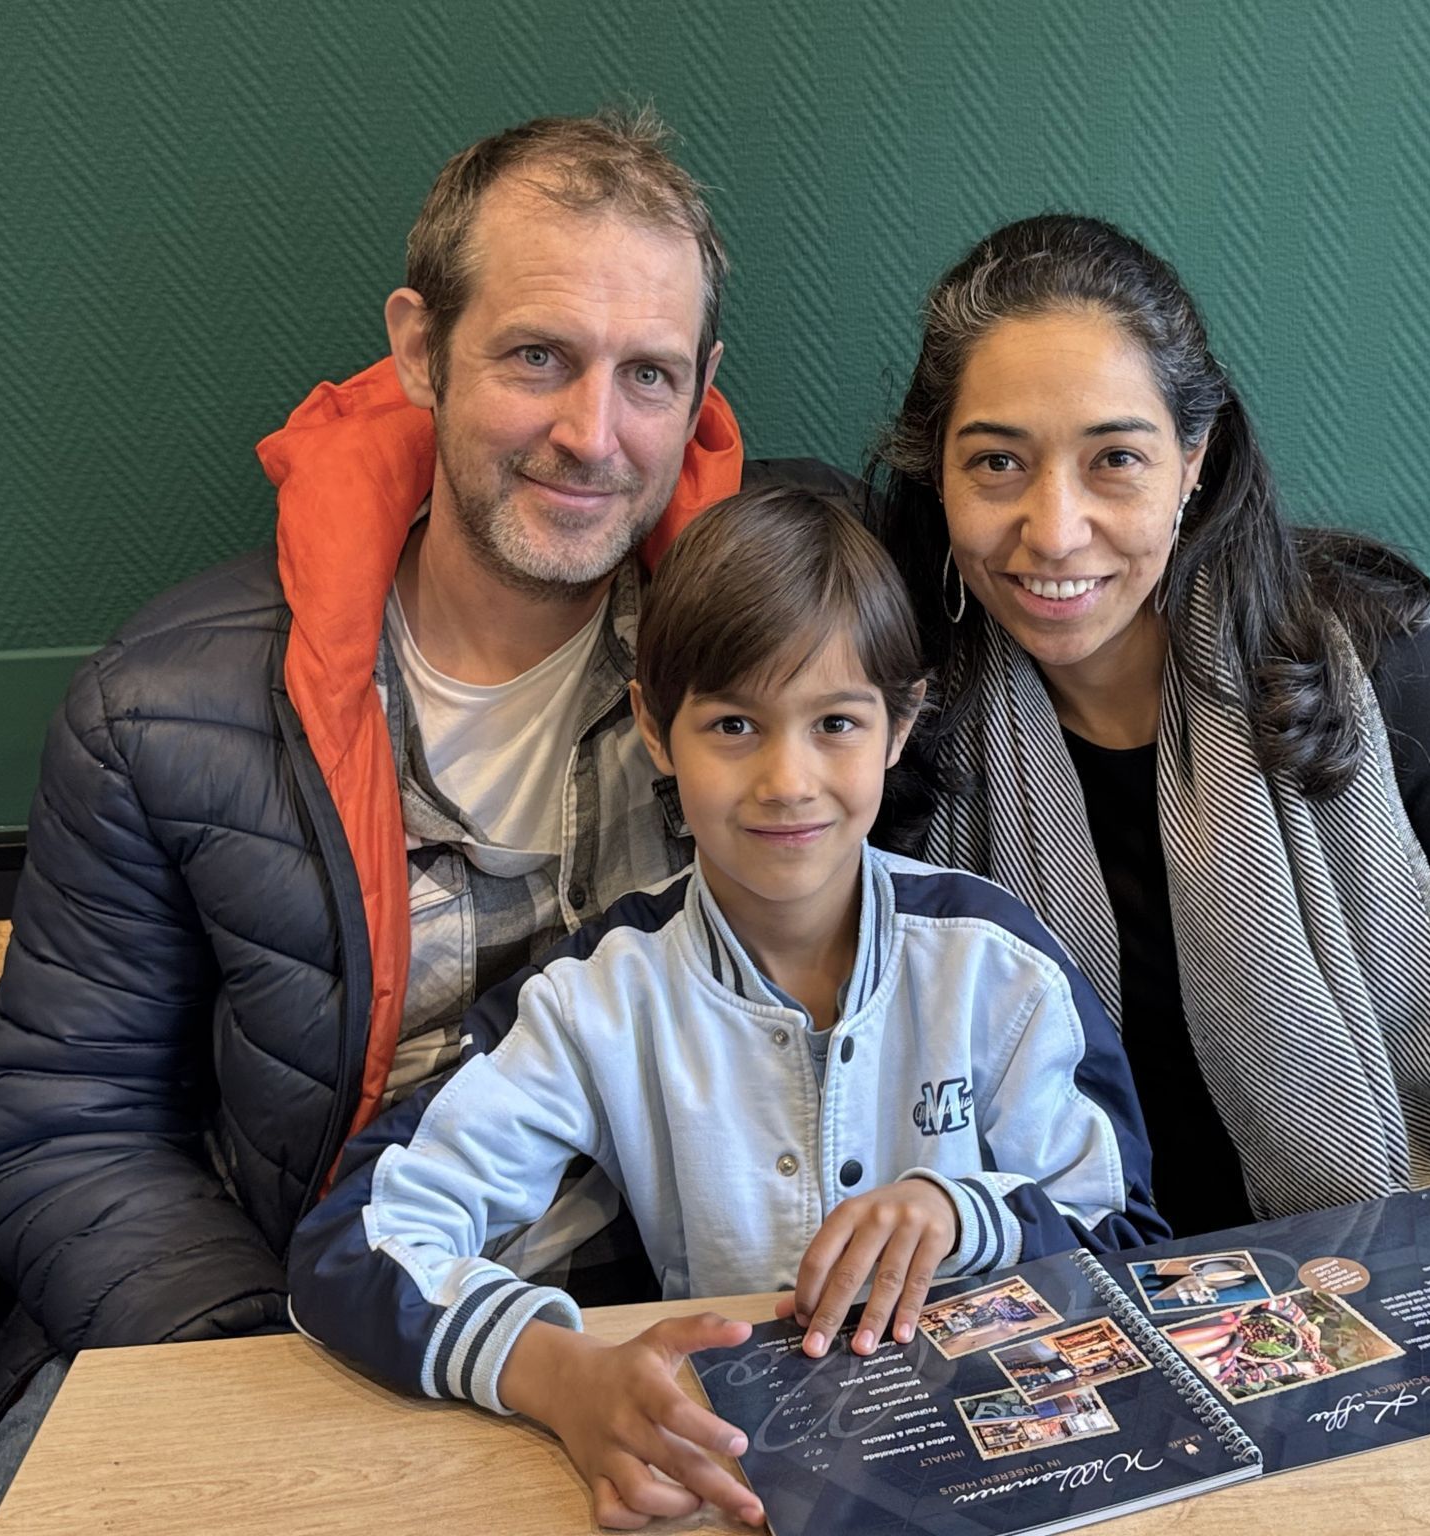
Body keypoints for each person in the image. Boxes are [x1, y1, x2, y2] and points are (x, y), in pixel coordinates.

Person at [0, 108, 772, 1530]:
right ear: (416, 347)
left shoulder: (772, 673)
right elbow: (60, 1129)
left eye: (647, 376)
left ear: (701, 390)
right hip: (279, 1334)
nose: (593, 434)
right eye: (536, 357)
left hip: (667, 1356)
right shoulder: (165, 705)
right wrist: (281, 1359)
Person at [287, 487, 1165, 1529]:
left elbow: (1127, 1241)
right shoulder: (599, 995)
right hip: (728, 1478)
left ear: (899, 725)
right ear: (657, 732)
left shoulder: (997, 964)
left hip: (1008, 1471)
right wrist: (557, 1373)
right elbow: (351, 1246)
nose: (786, 781)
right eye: (734, 725)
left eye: (835, 723)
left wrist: (957, 1211)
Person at [868, 214, 1430, 1240]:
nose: (1054, 529)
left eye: (1113, 459)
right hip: (1057, 1293)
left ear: (1193, 461)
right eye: (996, 464)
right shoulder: (888, 708)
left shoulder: (1377, 661)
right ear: (935, 473)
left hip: (1396, 1264)